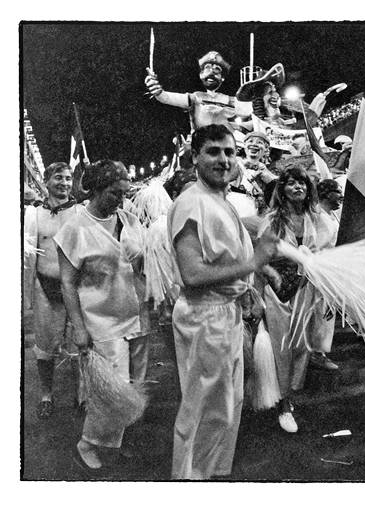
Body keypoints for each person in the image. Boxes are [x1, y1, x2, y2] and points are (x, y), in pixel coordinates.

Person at [168, 124, 278, 479]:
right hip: (204, 317)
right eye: (214, 151)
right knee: (202, 410)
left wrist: (257, 281)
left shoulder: (221, 200)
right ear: (195, 157)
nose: (224, 159)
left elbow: (229, 259)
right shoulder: (191, 202)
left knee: (227, 407)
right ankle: (189, 480)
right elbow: (193, 274)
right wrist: (253, 264)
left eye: (229, 152)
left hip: (225, 314)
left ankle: (210, 475)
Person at [55, 160, 145, 472]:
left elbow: (139, 254)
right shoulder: (75, 227)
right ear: (95, 189)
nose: (120, 200)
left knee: (120, 383)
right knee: (111, 387)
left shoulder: (126, 217)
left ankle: (113, 442)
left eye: (124, 193)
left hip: (129, 313)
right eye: (113, 194)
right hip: (98, 319)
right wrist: (79, 328)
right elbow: (67, 282)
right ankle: (87, 443)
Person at [256, 168, 339, 433]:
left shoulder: (318, 218)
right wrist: (276, 275)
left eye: (301, 182)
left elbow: (329, 250)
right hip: (279, 291)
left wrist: (314, 259)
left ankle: (288, 394)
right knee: (282, 346)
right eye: (290, 183)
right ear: (282, 189)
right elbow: (261, 258)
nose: (297, 187)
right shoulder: (272, 219)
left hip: (307, 289)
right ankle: (283, 404)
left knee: (302, 345)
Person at [24, 162, 83, 420]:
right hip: (45, 288)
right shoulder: (34, 215)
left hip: (77, 290)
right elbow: (28, 257)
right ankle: (46, 395)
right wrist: (27, 295)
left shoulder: (80, 212)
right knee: (44, 348)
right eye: (58, 177)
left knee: (79, 347)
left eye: (69, 178)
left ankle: (81, 396)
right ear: (46, 181)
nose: (65, 183)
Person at [145, 51, 251, 130]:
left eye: (217, 69)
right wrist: (157, 90)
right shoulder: (194, 98)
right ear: (201, 75)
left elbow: (249, 111)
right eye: (207, 68)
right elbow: (166, 97)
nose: (212, 72)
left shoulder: (230, 100)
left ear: (222, 78)